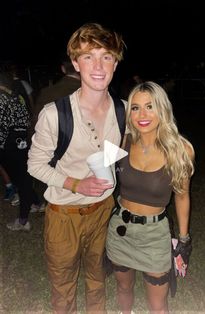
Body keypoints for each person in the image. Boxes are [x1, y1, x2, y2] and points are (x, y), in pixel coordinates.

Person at [27, 22, 126, 313]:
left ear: (115, 63)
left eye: (106, 56)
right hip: (64, 216)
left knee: (97, 280)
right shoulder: (54, 114)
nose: (98, 65)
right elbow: (34, 164)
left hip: (102, 211)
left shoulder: (123, 110)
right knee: (63, 287)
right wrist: (75, 183)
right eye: (88, 56)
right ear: (75, 63)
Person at [106, 81, 195, 313]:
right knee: (123, 290)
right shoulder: (121, 142)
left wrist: (184, 241)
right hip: (120, 229)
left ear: (162, 109)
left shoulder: (181, 149)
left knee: (158, 304)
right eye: (135, 108)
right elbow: (91, 165)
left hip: (155, 235)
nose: (142, 115)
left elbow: (182, 197)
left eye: (150, 106)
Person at [29, 55, 81, 213]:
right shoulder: (94, 90)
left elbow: (36, 122)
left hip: (55, 146)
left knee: (54, 178)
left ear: (63, 68)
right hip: (83, 148)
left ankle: (55, 203)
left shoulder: (48, 92)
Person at [0, 71, 40, 231]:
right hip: (22, 141)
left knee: (21, 180)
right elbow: (26, 119)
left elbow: (1, 127)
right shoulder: (15, 95)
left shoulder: (1, 98)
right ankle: (36, 203)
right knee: (22, 177)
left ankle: (23, 220)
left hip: (10, 144)